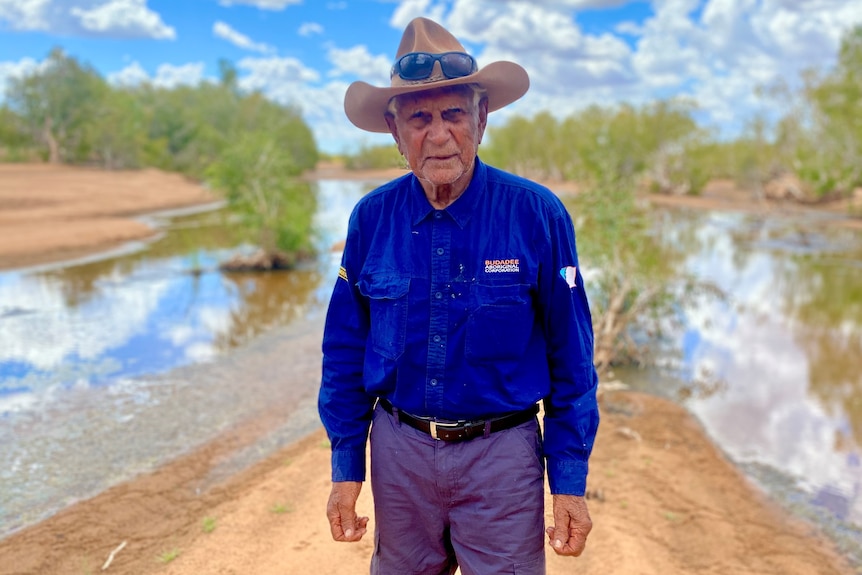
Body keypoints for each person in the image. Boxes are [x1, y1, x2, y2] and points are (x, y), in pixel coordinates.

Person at [318, 16, 599, 575]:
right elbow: (344, 350)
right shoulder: (371, 218)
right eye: (419, 118)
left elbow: (573, 357)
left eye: (453, 114)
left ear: (482, 119)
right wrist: (346, 466)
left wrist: (568, 479)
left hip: (504, 455)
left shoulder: (537, 215)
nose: (438, 134)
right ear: (396, 134)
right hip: (399, 454)